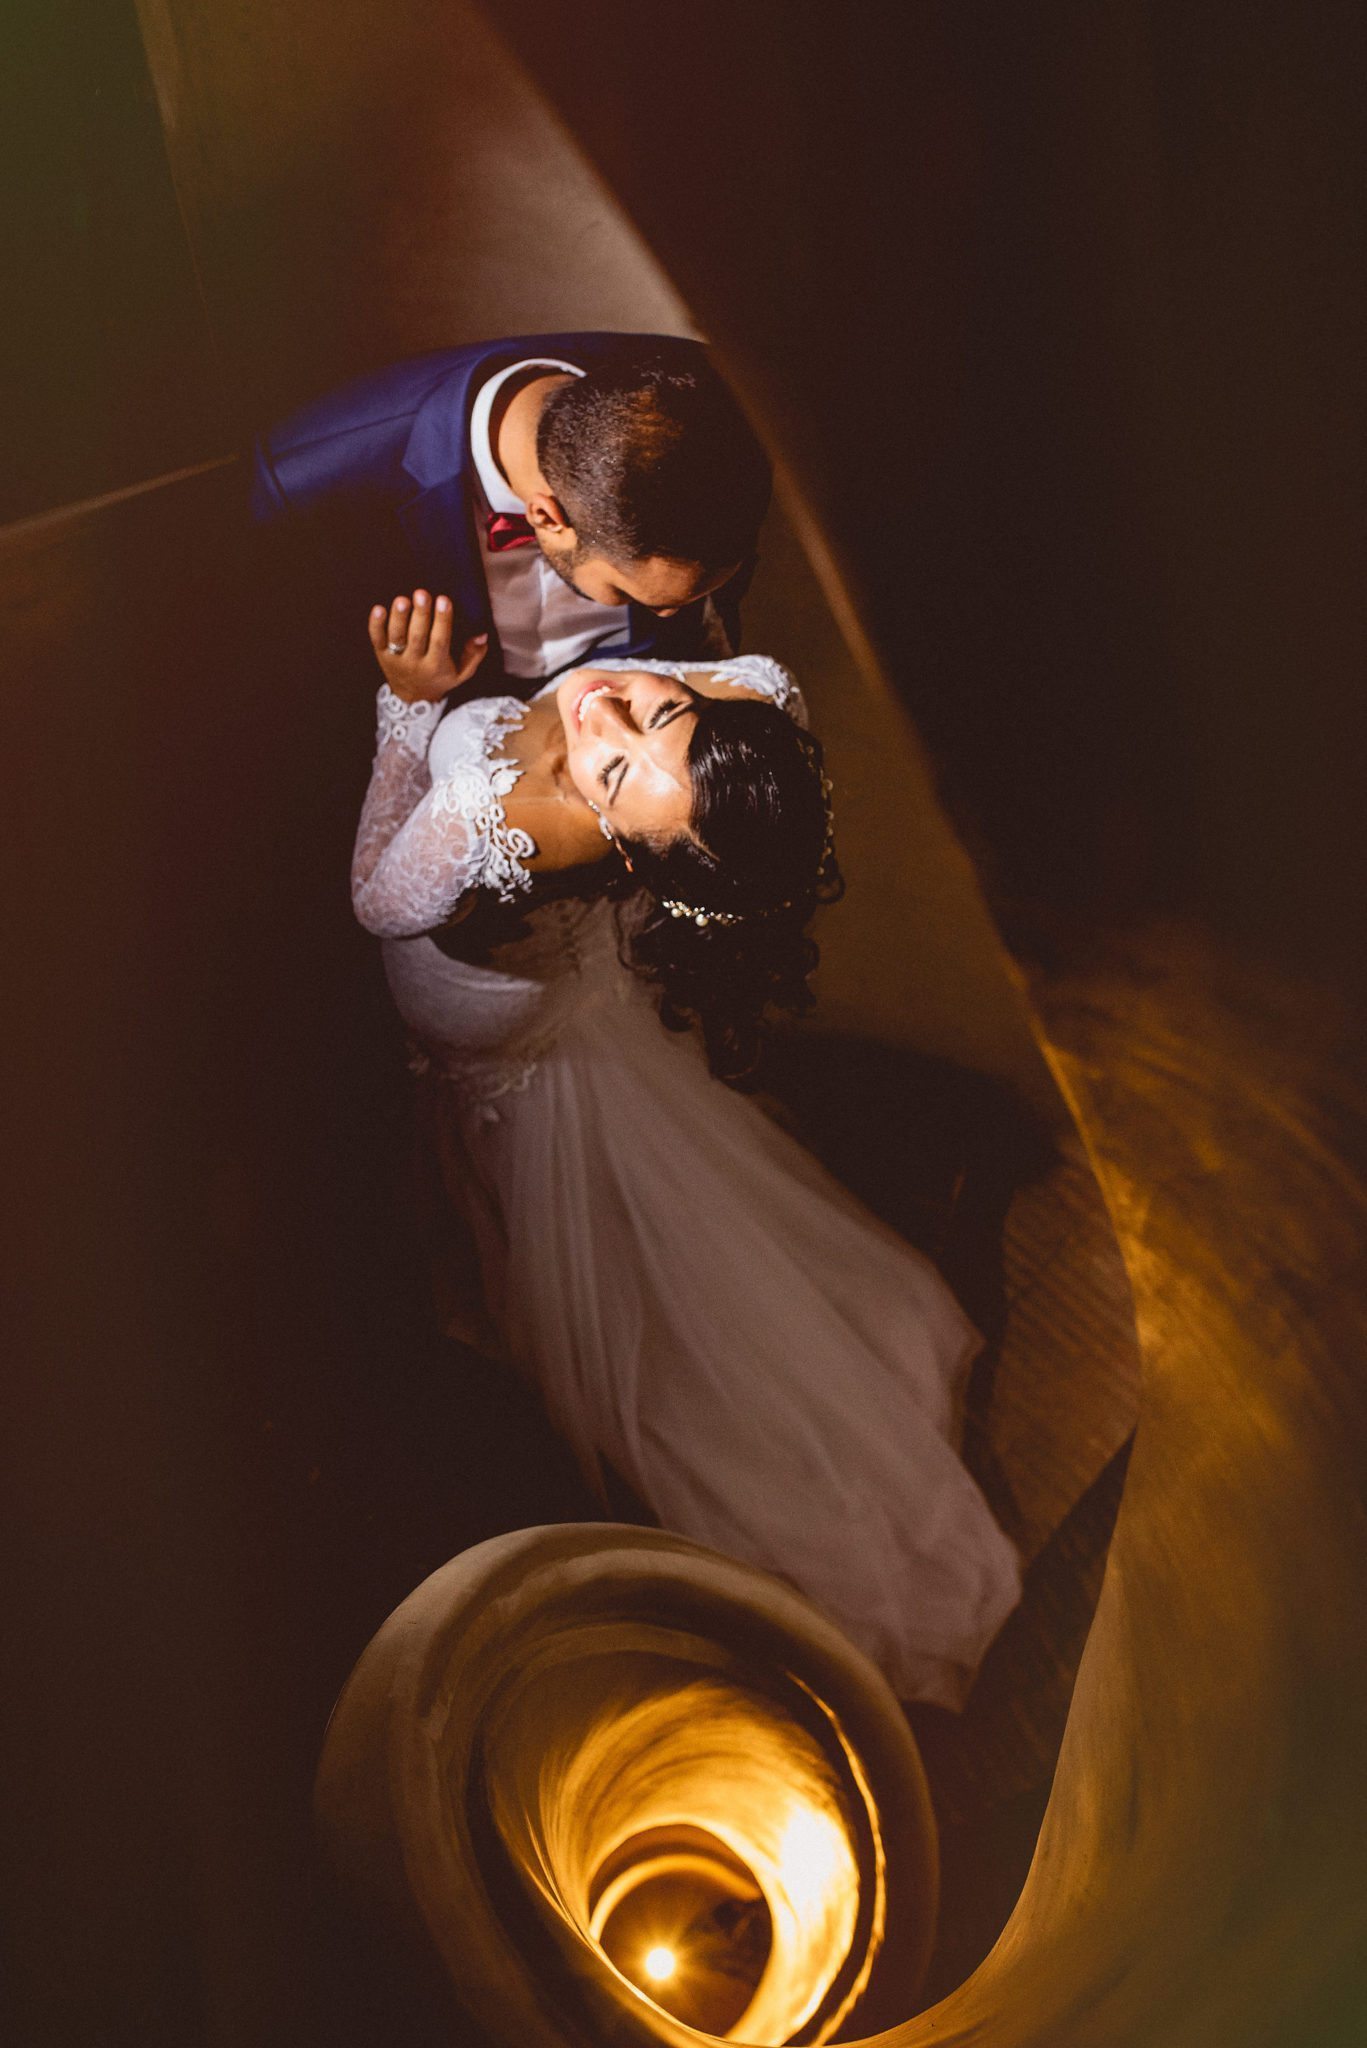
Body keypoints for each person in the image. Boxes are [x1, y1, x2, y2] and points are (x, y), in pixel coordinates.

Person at [350, 585, 1022, 1709]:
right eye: (664, 718)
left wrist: (406, 707)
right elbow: (715, 704)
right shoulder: (754, 705)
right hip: (560, 986)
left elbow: (376, 898)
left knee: (567, 1229)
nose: (603, 716)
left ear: (624, 848)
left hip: (491, 1017)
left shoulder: (477, 825)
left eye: (613, 775)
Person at [251, 332, 771, 697]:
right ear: (548, 518)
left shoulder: (724, 397)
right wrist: (408, 689)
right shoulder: (303, 486)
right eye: (635, 595)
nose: (676, 612)